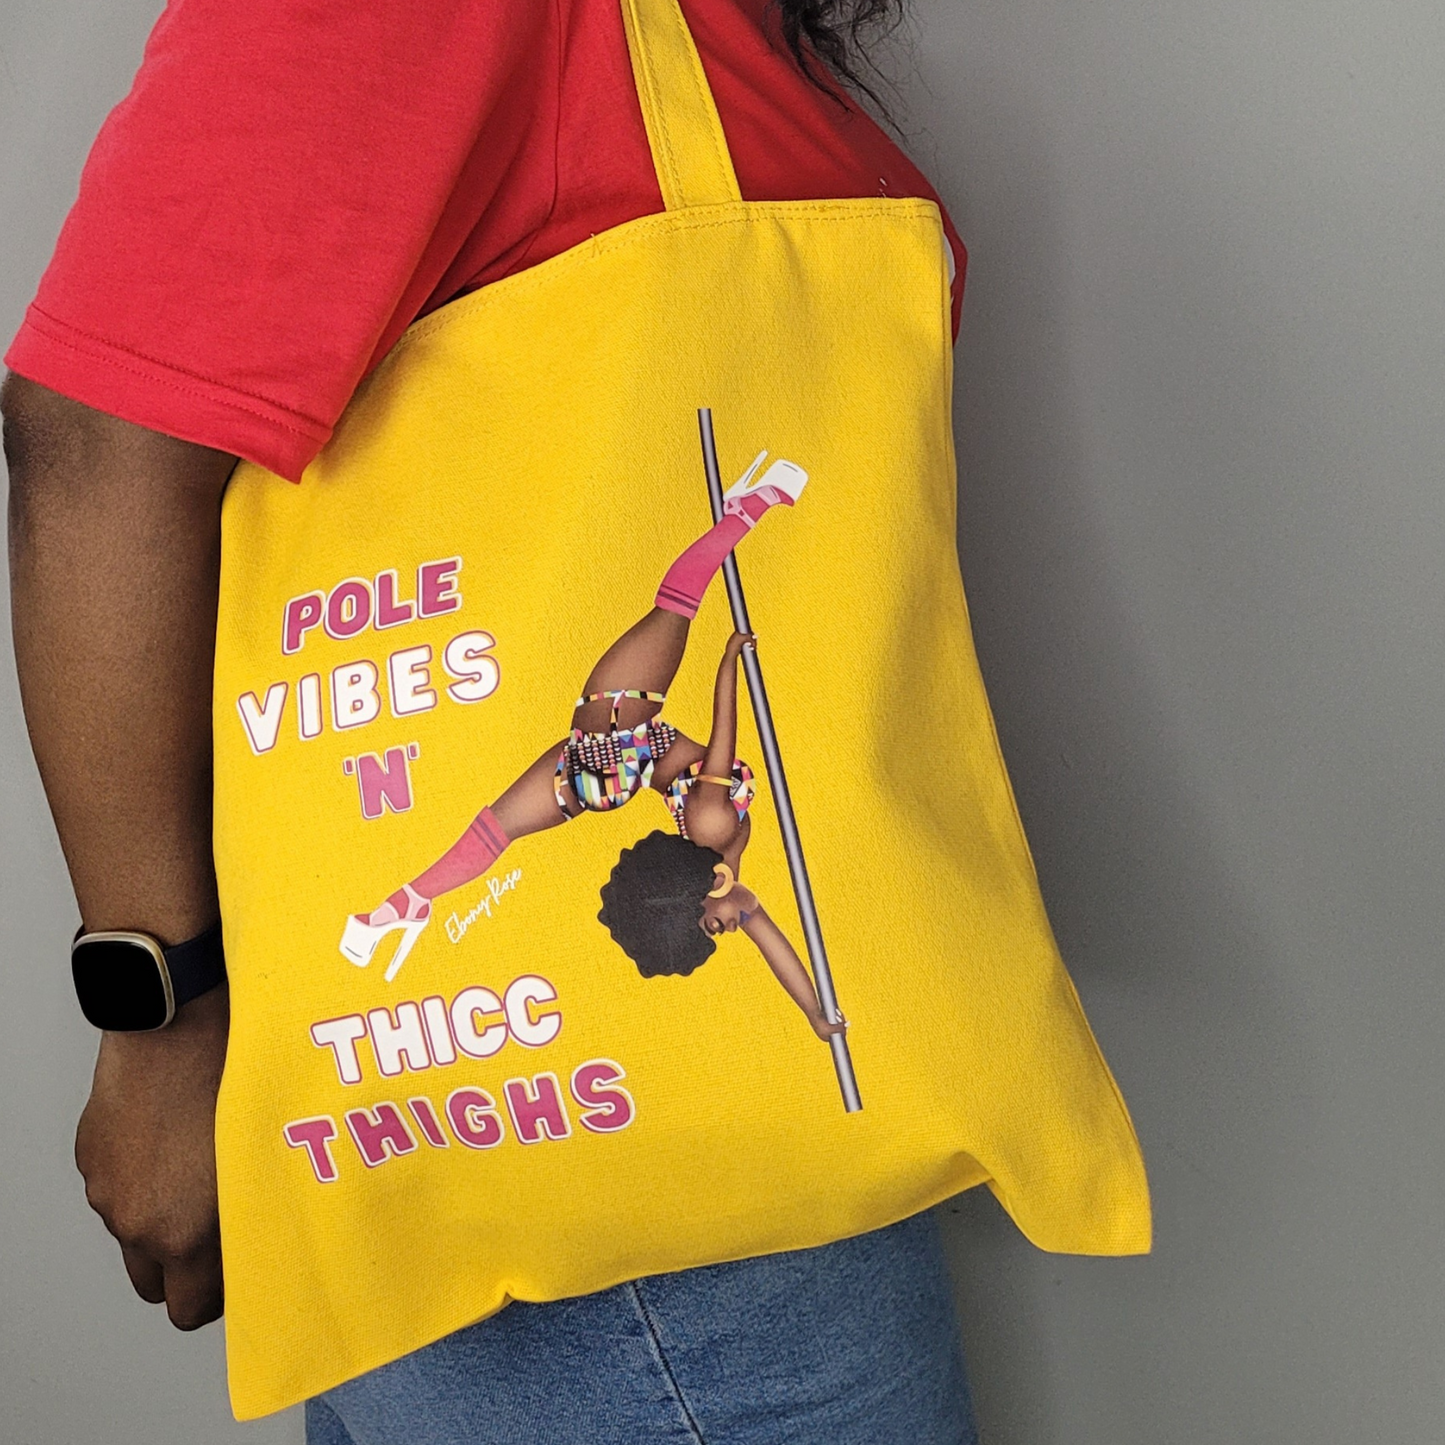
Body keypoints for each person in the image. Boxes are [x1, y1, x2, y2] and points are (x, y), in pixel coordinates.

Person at [2, 0, 975, 1440]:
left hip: (662, 1142)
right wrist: (161, 1020)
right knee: (520, 791)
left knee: (496, 820)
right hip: (647, 1221)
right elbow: (100, 436)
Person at [343, 451, 849, 1043]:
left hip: (617, 733)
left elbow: (725, 733)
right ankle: (403, 904)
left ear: (694, 901)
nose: (732, 927)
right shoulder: (725, 879)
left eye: (712, 928)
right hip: (604, 769)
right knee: (495, 831)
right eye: (720, 931)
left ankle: (746, 511)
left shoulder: (713, 834)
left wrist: (730, 658)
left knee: (677, 604)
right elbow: (779, 951)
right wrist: (814, 1014)